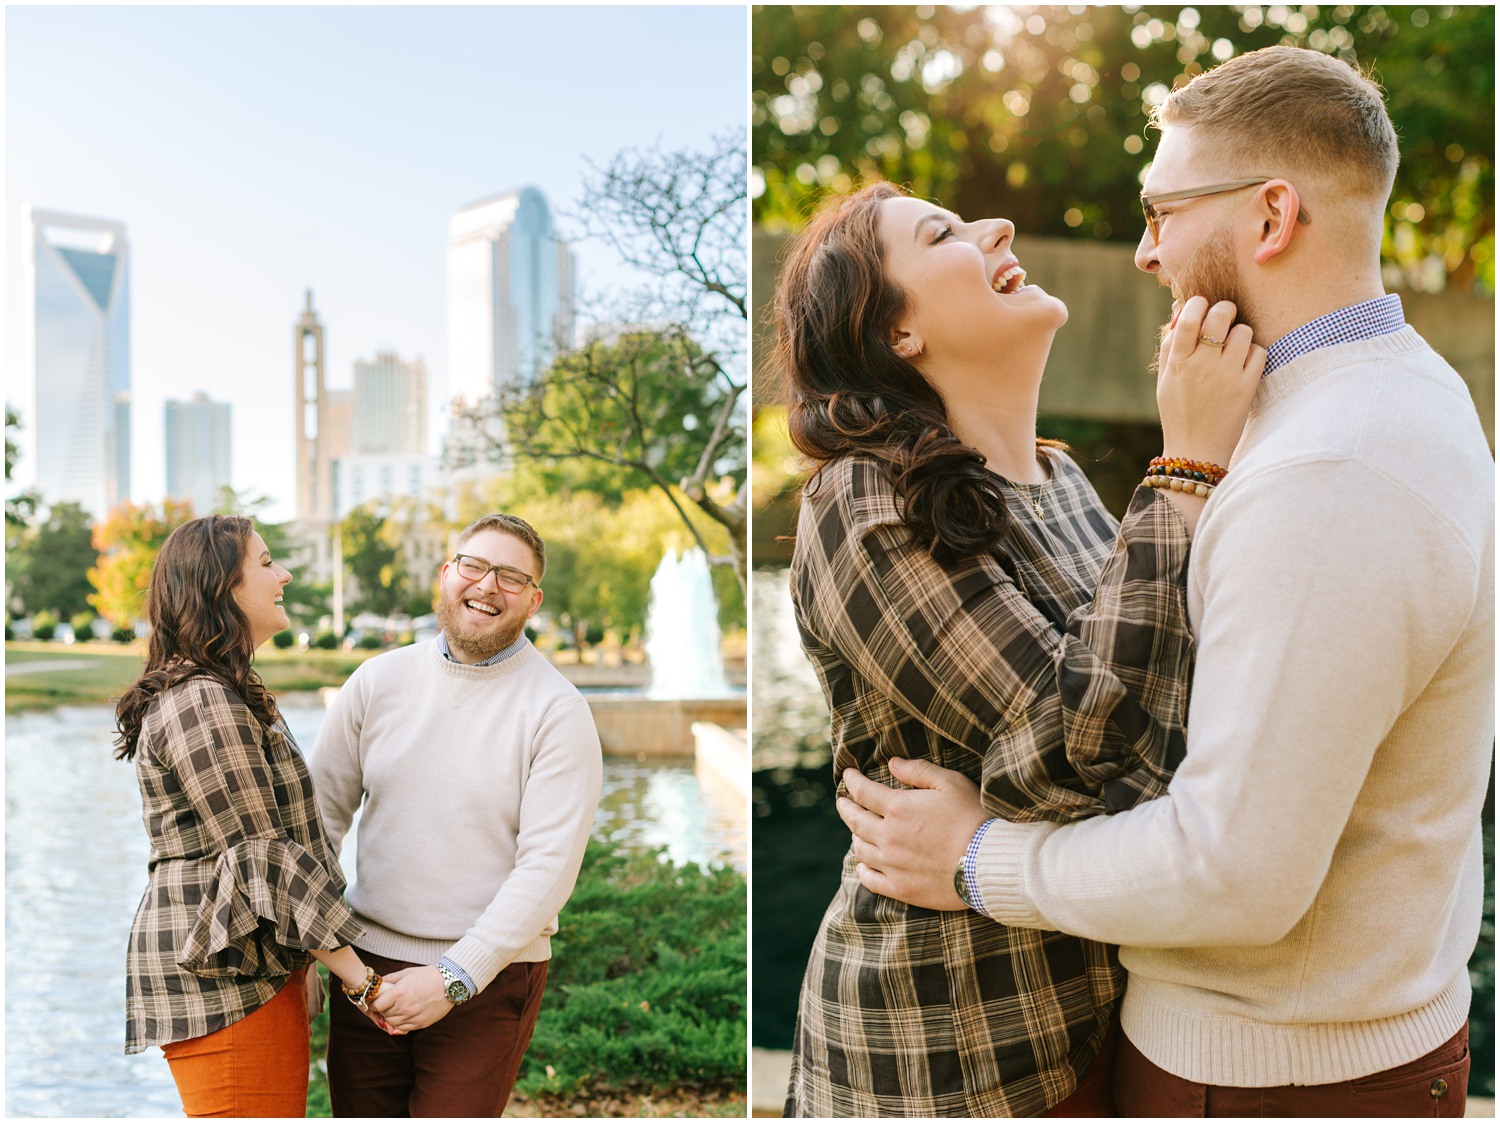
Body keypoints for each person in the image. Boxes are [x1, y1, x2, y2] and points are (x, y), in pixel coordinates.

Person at [838, 45, 1493, 1118]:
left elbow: (1232, 869)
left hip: (1260, 1078)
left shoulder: (1324, 473)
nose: (1146, 253)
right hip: (1324, 1048)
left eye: (1161, 213)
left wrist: (975, 855)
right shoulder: (1401, 393)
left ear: (1271, 218)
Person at [773, 179, 1263, 1116]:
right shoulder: (859, 497)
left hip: (1093, 1021)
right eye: (942, 234)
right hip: (939, 1056)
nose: (996, 224)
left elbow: (1168, 720)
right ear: (896, 333)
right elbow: (1076, 747)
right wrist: (1191, 462)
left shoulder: (1065, 479)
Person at [310, 512, 603, 1117]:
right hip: (364, 968)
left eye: (511, 577)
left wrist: (452, 978)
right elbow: (316, 825)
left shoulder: (557, 711)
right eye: (474, 565)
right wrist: (315, 951)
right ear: (447, 574)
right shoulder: (375, 682)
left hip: (490, 977)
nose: (488, 585)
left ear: (533, 600)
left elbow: (546, 870)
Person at [118, 515, 393, 1118]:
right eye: (266, 563)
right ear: (222, 587)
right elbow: (262, 854)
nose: (284, 574)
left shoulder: (223, 690)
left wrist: (307, 964)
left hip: (252, 972)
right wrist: (360, 978)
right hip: (224, 985)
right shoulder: (201, 702)